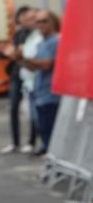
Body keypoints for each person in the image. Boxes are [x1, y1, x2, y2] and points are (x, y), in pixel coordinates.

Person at [20, 10, 61, 156]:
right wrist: (20, 59)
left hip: (52, 95)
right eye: (38, 22)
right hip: (40, 93)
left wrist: (26, 59)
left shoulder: (56, 40)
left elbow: (47, 64)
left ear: (53, 22)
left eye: (44, 21)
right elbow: (33, 67)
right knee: (43, 130)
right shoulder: (41, 43)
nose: (40, 25)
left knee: (51, 133)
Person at [0, 6, 35, 153]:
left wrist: (15, 53)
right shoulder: (18, 33)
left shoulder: (35, 35)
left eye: (28, 17)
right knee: (13, 107)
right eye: (22, 17)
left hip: (30, 74)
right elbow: (15, 51)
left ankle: (31, 142)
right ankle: (15, 142)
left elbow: (20, 53)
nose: (25, 20)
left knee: (33, 110)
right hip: (17, 74)